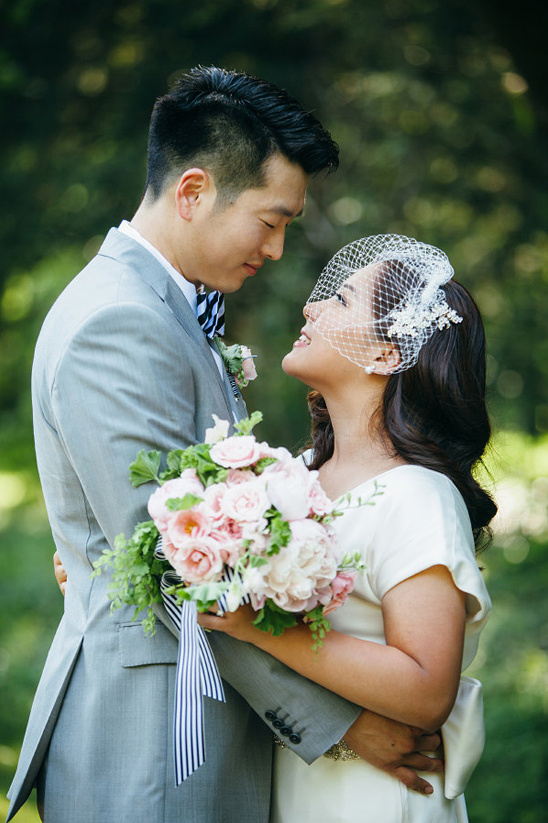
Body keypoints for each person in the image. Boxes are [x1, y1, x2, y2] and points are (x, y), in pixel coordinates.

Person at [7, 71, 441, 823]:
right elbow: (175, 569)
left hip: (188, 726)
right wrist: (343, 723)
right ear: (194, 191)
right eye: (271, 221)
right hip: (155, 744)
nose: (276, 250)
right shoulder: (119, 322)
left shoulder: (159, 310)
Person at [199, 234, 496, 823]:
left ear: (388, 355)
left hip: (375, 800)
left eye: (340, 300)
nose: (311, 307)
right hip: (290, 785)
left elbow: (427, 690)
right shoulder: (293, 476)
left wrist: (259, 629)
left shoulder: (417, 495)